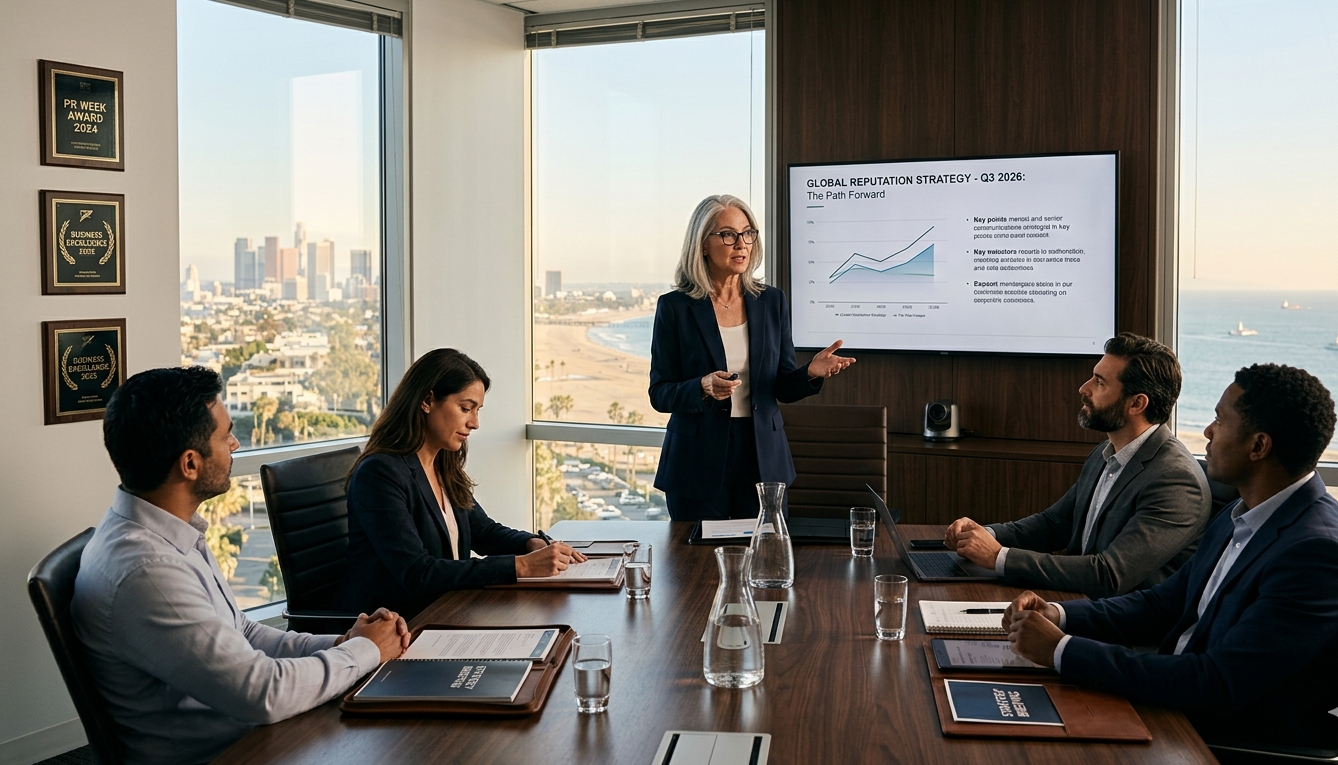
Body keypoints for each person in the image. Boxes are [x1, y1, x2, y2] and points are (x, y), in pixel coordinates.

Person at [71, 367, 411, 765]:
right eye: (225, 436)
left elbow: (243, 632)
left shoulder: (166, 531)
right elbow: (262, 693)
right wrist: (365, 650)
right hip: (232, 752)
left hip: (258, 734)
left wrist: (343, 643)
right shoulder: (148, 571)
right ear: (190, 463)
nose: (235, 444)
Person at [1004, 364, 1338, 751]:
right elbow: (1162, 603)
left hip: (1219, 738)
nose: (1208, 432)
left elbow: (1216, 682)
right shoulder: (1240, 514)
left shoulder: (1314, 553)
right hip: (1169, 703)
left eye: (1219, 421)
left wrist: (1062, 650)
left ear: (1258, 447)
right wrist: (1060, 616)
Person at [944, 333, 1210, 597]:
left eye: (1100, 382)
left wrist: (998, 557)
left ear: (1137, 403)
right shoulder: (1105, 453)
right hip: (1075, 601)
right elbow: (1055, 524)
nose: (1084, 388)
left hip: (1117, 619)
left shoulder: (1176, 480)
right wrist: (983, 534)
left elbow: (1109, 574)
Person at [650, 194, 855, 521]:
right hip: (697, 462)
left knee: (766, 549)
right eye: (727, 235)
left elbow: (782, 387)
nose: (741, 244)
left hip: (762, 457)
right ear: (702, 245)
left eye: (747, 233)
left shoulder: (771, 301)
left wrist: (810, 373)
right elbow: (660, 393)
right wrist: (702, 386)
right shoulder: (675, 307)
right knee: (699, 555)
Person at [339, 348, 585, 618]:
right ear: (427, 401)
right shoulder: (379, 473)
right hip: (403, 625)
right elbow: (418, 573)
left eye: (477, 410)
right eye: (465, 408)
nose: (475, 423)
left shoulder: (443, 463)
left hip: (451, 609)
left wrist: (530, 544)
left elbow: (483, 532)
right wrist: (522, 566)